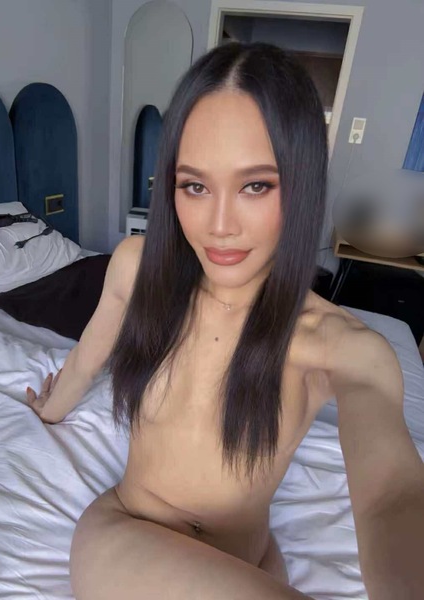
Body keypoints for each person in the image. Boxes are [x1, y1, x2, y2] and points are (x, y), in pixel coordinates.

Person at [27, 42, 424, 599]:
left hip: (249, 564)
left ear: (302, 184)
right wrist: (49, 409)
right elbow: (90, 351)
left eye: (255, 185)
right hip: (127, 536)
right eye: (195, 185)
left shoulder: (343, 347)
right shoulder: (138, 268)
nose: (219, 225)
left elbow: (391, 496)